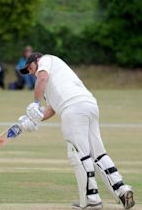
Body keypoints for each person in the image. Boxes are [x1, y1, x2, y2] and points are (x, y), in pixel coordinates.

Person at [17, 53, 135, 209]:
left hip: (73, 108)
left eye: (30, 68)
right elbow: (52, 109)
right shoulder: (53, 83)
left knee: (78, 155)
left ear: (37, 61)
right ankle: (122, 189)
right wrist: (34, 119)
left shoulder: (46, 60)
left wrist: (35, 103)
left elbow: (42, 78)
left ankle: (91, 200)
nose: (31, 73)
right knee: (98, 153)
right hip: (88, 105)